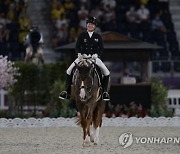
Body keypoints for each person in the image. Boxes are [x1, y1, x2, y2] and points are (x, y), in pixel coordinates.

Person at [59, 16, 110, 101]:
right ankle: (67, 92)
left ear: (95, 26)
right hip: (82, 57)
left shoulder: (98, 36)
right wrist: (79, 53)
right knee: (68, 70)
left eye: (92, 24)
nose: (90, 26)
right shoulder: (82, 35)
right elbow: (77, 46)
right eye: (89, 24)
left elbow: (101, 48)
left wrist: (97, 54)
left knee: (107, 72)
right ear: (86, 25)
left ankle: (104, 92)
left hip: (93, 58)